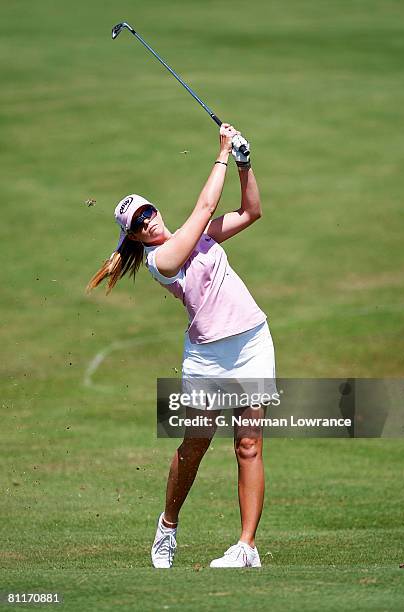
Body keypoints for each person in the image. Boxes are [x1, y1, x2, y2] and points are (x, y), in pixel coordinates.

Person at [87, 124, 276, 569]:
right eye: (138, 222)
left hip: (252, 341)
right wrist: (224, 152)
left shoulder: (201, 235)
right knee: (195, 444)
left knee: (248, 444)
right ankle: (168, 526)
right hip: (208, 356)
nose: (148, 219)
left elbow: (251, 213)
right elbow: (207, 203)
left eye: (147, 211)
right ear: (133, 236)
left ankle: (247, 547)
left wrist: (246, 165)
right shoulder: (161, 261)